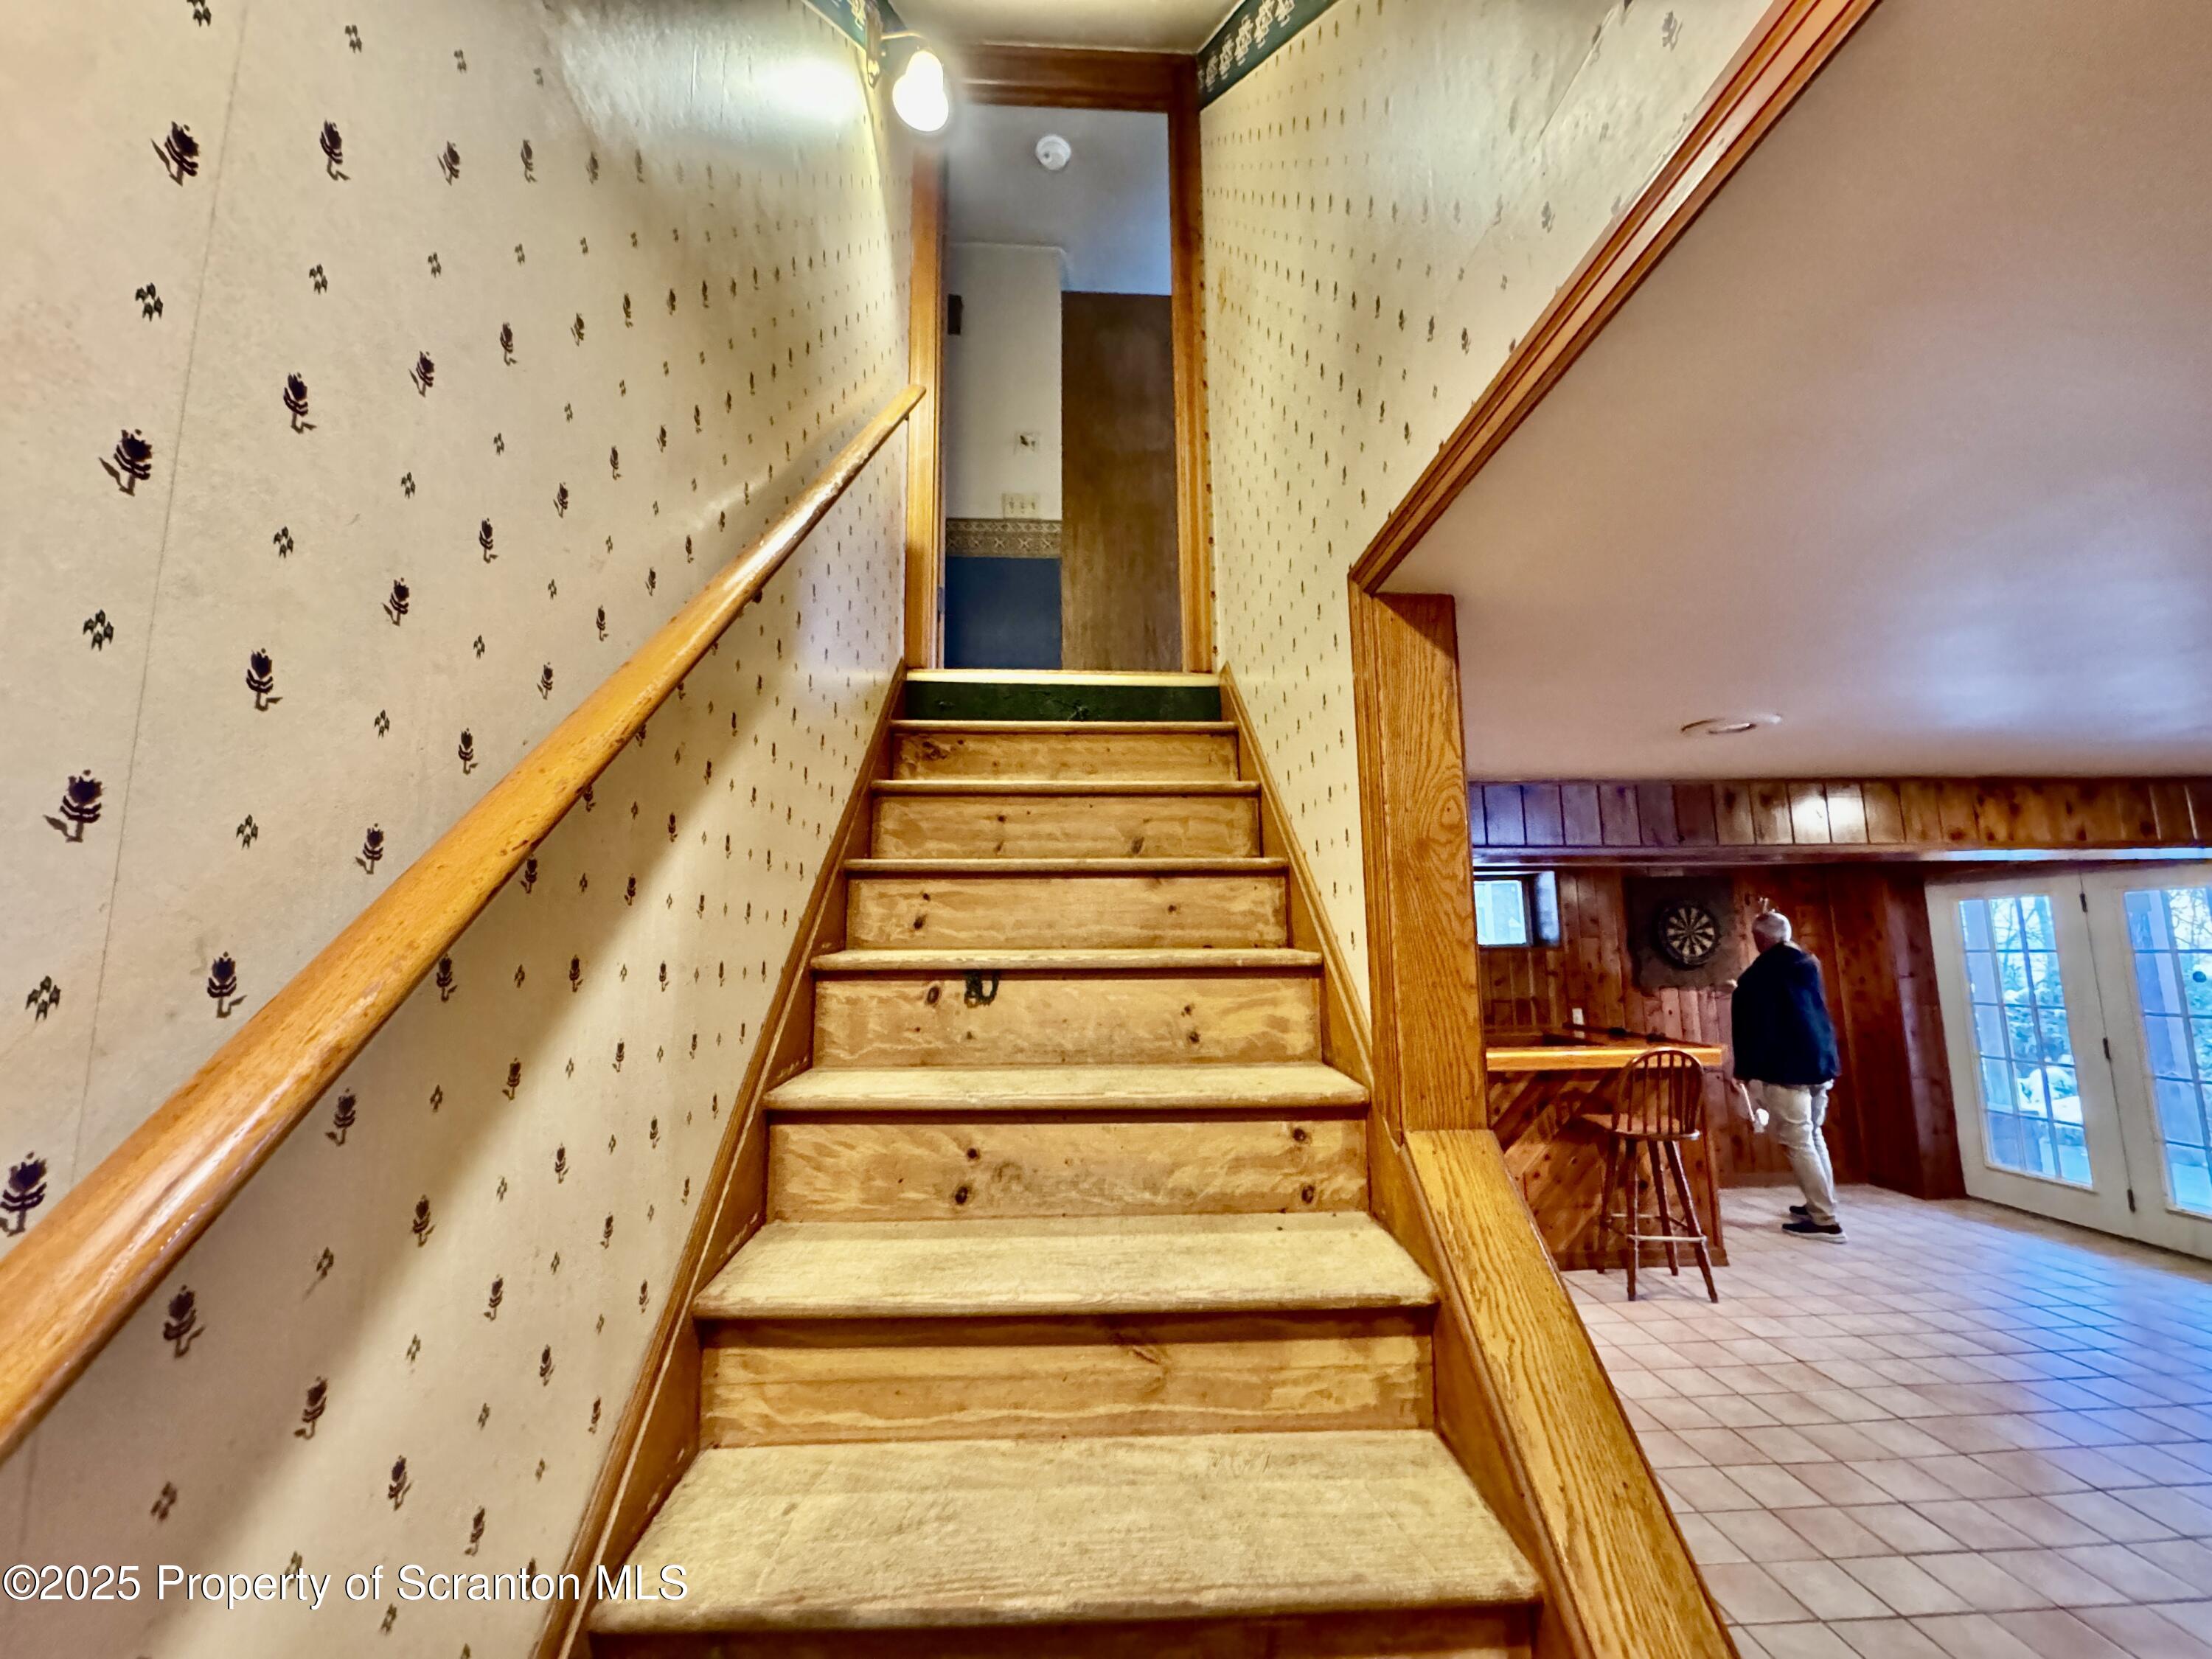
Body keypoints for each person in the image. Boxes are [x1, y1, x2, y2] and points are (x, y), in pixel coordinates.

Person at [1727, 910, 1845, 1238]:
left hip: (1787, 1067)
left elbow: (1753, 1028)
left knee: (1798, 1142)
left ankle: (1825, 1219)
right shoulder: (1808, 963)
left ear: (1760, 939)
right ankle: (1821, 1202)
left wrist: (1745, 1071)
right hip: (1821, 1061)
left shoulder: (1758, 977)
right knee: (1814, 1135)